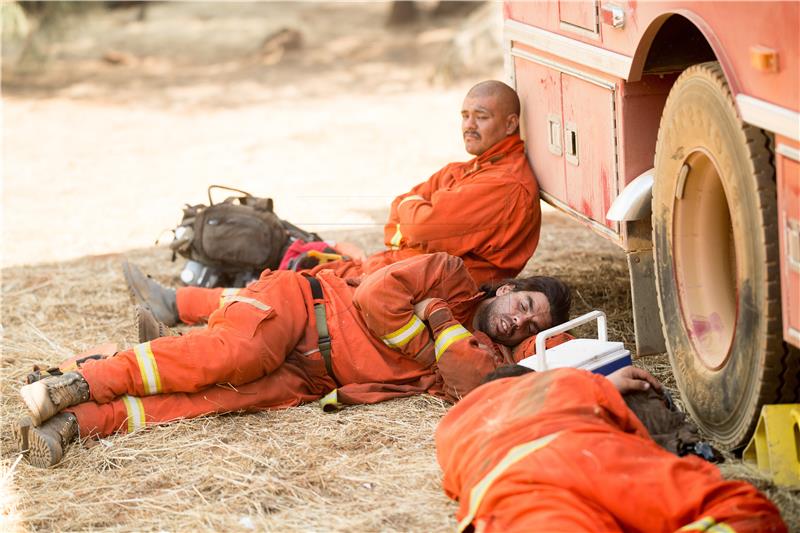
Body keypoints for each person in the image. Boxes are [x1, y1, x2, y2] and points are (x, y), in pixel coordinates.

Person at [15, 252, 571, 467]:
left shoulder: (485, 354)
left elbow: (472, 383)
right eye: (524, 304)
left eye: (531, 327)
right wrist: (434, 330)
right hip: (302, 308)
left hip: (311, 377)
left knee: (217, 400)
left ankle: (77, 421)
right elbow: (375, 299)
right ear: (506, 288)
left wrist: (436, 320)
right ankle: (85, 378)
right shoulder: (450, 275)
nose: (520, 321)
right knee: (239, 353)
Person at [124, 79, 542, 327]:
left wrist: (409, 217)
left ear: (510, 123)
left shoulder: (503, 184)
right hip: (401, 268)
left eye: (481, 116)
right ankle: (180, 305)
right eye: (464, 115)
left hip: (425, 288)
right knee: (297, 279)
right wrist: (409, 216)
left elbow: (415, 224)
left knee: (301, 296)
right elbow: (403, 208)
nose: (469, 125)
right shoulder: (471, 168)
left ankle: (179, 307)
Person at [435, 366, 787, 532]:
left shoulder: (452, 428)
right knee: (743, 511)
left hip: (504, 488)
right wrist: (604, 384)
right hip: (583, 456)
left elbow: (455, 485)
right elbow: (632, 433)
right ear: (530, 380)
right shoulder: (558, 381)